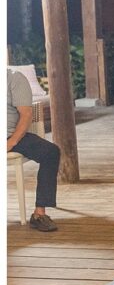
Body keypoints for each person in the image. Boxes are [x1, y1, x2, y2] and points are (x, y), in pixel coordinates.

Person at [7, 69, 59, 231]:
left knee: (50, 152)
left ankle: (39, 214)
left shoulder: (14, 78)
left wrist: (10, 143)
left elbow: (26, 114)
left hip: (11, 136)